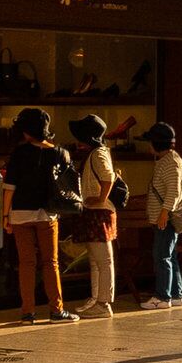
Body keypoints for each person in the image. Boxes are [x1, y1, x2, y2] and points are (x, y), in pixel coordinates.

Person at [0, 108, 71, 323]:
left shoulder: (19, 153)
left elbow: (9, 187)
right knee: (51, 262)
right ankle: (56, 310)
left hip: (20, 214)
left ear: (26, 130)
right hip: (48, 214)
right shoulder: (60, 153)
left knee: (26, 263)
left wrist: (5, 216)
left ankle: (27, 312)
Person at [68, 113, 123, 317]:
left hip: (99, 212)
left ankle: (103, 302)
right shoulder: (99, 151)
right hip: (97, 212)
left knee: (103, 260)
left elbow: (108, 177)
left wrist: (100, 198)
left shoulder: (97, 153)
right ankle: (96, 298)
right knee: (97, 259)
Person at [142, 122, 182, 307]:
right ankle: (176, 295)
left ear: (156, 143)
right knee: (170, 256)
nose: (149, 145)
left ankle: (162, 297)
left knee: (162, 256)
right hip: (164, 217)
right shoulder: (169, 160)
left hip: (165, 219)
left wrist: (164, 212)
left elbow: (173, 191)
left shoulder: (170, 163)